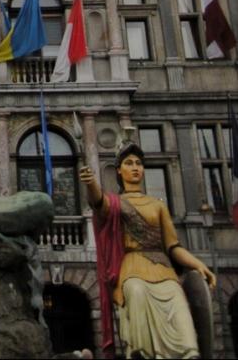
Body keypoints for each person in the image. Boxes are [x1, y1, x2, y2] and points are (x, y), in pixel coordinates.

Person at [80, 143, 215, 359]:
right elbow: (98, 203)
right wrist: (91, 182)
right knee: (135, 292)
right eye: (129, 163)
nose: (135, 168)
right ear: (118, 170)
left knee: (179, 304)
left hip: (164, 270)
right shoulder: (115, 203)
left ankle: (189, 353)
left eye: (139, 164)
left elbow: (173, 246)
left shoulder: (157, 205)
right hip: (132, 270)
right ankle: (140, 352)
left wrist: (198, 264)